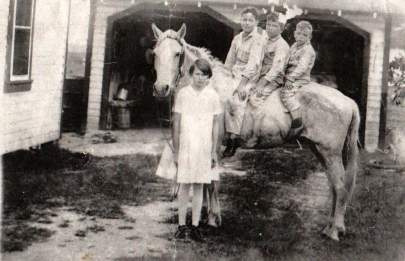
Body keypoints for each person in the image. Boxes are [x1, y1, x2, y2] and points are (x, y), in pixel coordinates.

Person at [172, 59, 222, 242]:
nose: (200, 78)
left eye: (204, 75)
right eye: (197, 74)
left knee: (199, 185)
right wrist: (176, 150)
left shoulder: (213, 95)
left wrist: (213, 151)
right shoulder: (183, 94)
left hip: (203, 147)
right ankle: (181, 225)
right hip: (186, 144)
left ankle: (194, 226)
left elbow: (216, 125)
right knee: (184, 185)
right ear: (191, 75)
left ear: (209, 77)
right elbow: (177, 122)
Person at [243, 11, 290, 147]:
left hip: (274, 79)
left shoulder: (282, 45)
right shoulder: (263, 41)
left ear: (281, 29)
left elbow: (276, 69)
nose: (269, 28)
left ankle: (255, 136)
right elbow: (255, 62)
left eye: (274, 26)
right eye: (268, 25)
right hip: (260, 76)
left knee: (258, 99)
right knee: (243, 94)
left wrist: (261, 85)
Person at [222, 7, 265, 157]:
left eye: (250, 20)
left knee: (237, 101)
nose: (246, 23)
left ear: (256, 22)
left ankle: (233, 141)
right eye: (244, 20)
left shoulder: (258, 40)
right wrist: (224, 76)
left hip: (249, 76)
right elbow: (229, 61)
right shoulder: (237, 38)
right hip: (234, 73)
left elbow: (253, 65)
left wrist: (241, 85)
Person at [282, 20, 316, 139]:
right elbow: (287, 60)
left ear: (309, 37)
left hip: (299, 78)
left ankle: (297, 120)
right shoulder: (294, 46)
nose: (301, 37)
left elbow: (302, 67)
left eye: (305, 35)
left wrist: (290, 79)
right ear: (295, 34)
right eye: (299, 34)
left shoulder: (308, 50)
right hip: (288, 75)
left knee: (286, 93)